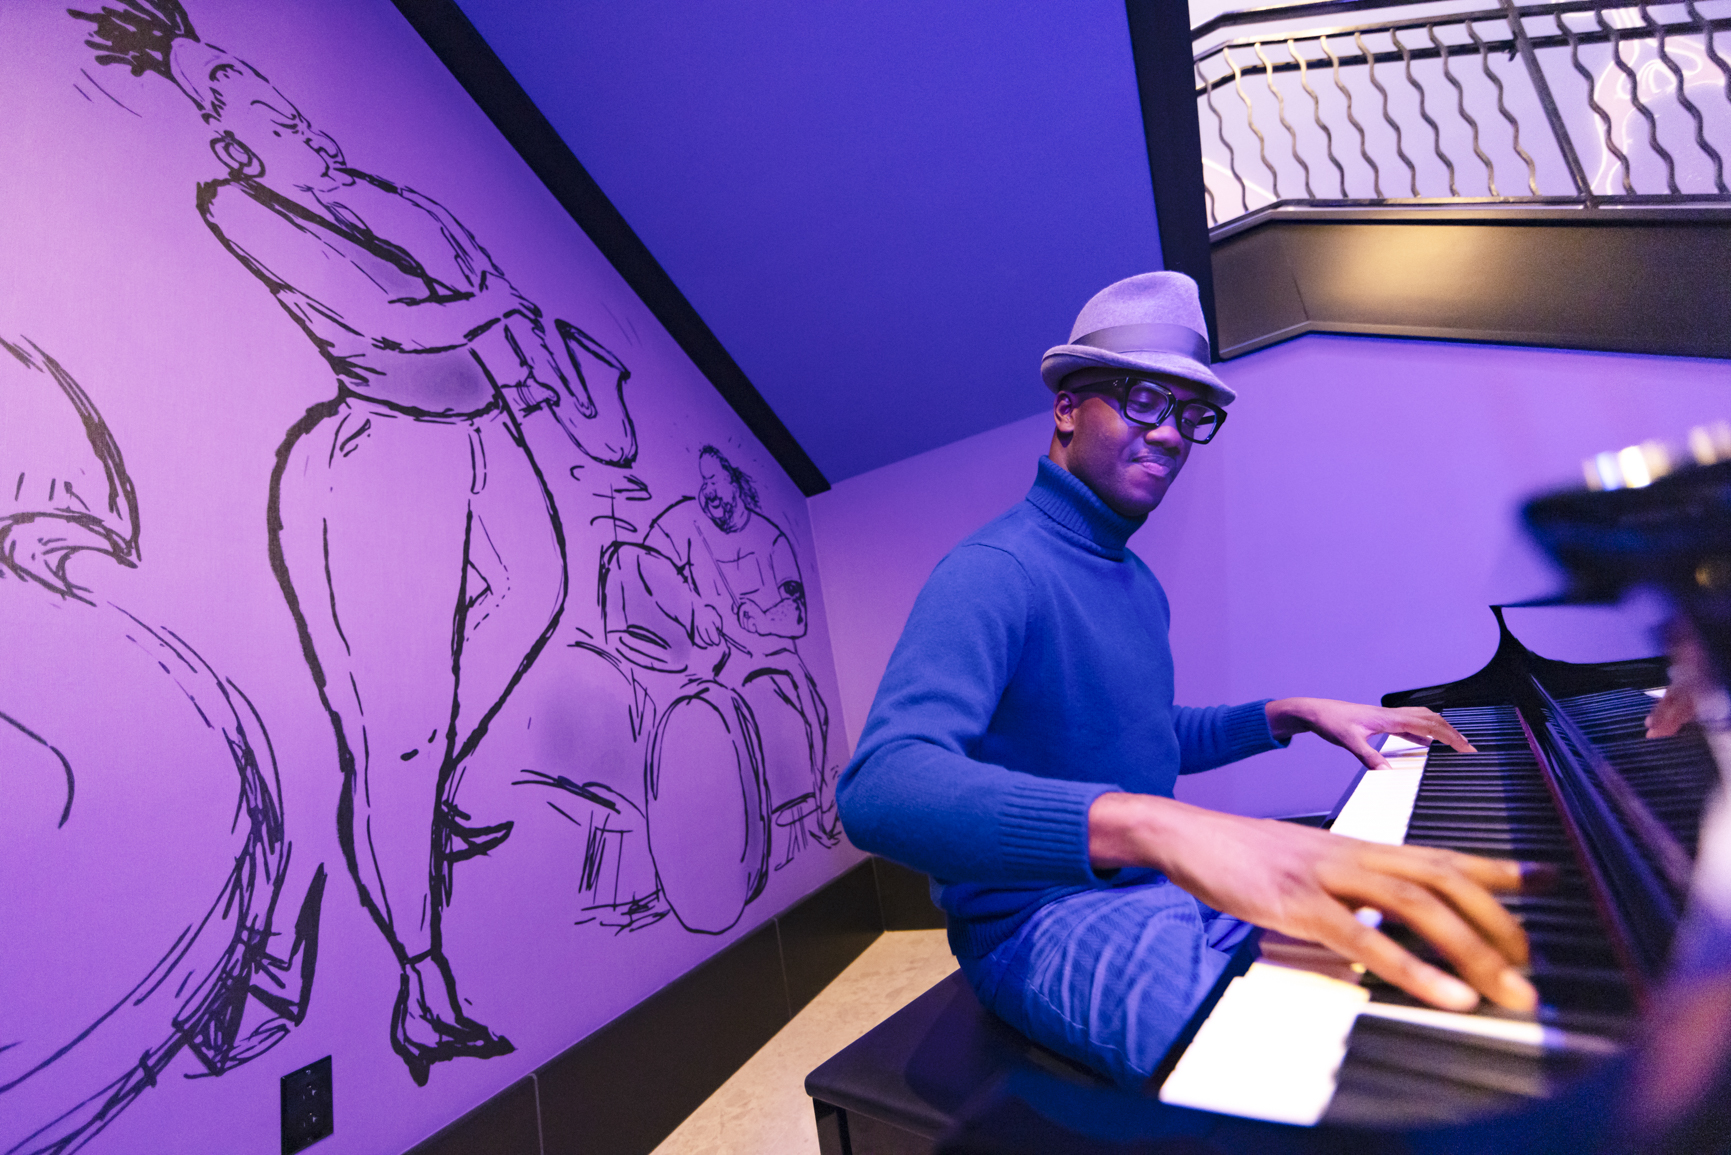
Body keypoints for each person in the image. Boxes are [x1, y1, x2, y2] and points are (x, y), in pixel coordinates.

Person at [73, 2, 636, 1085]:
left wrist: (549, 385)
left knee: (534, 594)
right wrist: (501, 309)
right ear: (232, 139)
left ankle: (408, 807)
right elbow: (402, 323)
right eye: (247, 102)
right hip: (377, 462)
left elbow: (489, 308)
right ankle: (423, 986)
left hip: (482, 439)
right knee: (399, 737)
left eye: (272, 90)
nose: (282, 108)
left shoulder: (386, 194)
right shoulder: (239, 203)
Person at [836, 271, 1538, 1088]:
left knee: (1399, 964)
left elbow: (1137, 733)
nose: (1171, 434)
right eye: (1143, 400)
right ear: (1066, 408)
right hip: (1044, 916)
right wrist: (1155, 825)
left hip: (1159, 884)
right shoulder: (994, 570)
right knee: (1301, 1074)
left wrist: (1287, 712)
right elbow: (878, 787)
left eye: (1190, 413)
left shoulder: (1135, 582)